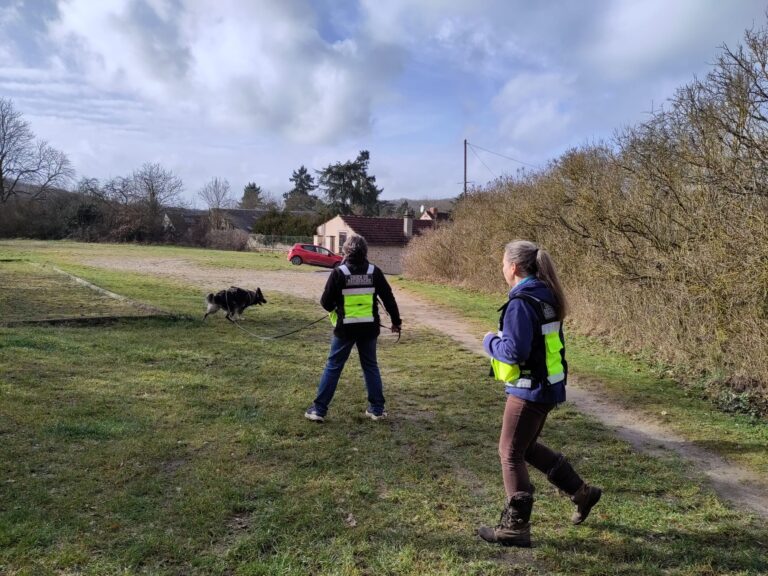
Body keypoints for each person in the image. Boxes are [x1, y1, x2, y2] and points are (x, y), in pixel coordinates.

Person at [478, 240, 602, 548]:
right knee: (527, 447)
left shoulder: (522, 302)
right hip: (548, 386)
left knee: (510, 453)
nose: (502, 268)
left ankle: (515, 528)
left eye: (503, 263)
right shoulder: (546, 295)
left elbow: (514, 352)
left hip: (529, 390)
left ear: (515, 268)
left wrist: (489, 342)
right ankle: (582, 493)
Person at [304, 235, 402, 423]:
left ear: (345, 251)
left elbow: (325, 302)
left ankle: (318, 410)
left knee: (333, 367)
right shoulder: (375, 272)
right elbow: (389, 299)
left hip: (345, 329)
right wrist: (396, 322)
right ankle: (377, 410)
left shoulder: (339, 273)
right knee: (370, 366)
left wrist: (337, 310)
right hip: (369, 328)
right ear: (365, 251)